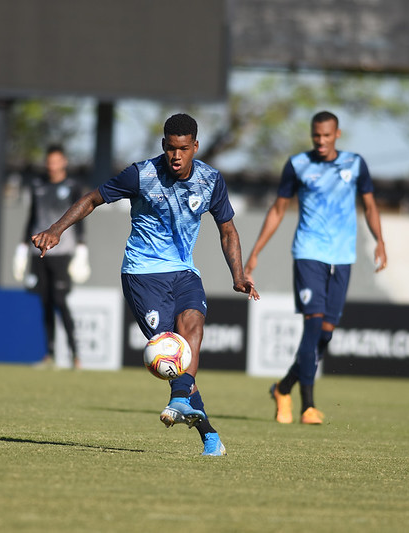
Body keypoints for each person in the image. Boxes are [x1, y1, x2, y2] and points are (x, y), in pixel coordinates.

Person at [32, 113, 259, 456]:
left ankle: (182, 400)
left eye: (183, 149)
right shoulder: (141, 175)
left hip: (184, 271)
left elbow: (227, 229)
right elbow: (93, 198)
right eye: (170, 148)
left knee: (191, 330)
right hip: (142, 275)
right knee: (172, 356)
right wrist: (56, 230)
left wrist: (238, 275)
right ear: (163, 146)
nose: (177, 156)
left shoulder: (211, 180)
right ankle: (207, 432)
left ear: (195, 146)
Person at [244, 110, 387, 425]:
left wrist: (379, 240)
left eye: (326, 135)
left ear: (337, 134)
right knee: (312, 325)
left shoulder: (355, 164)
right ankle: (308, 405)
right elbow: (278, 209)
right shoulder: (298, 165)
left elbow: (370, 204)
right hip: (309, 253)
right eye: (315, 136)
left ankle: (283, 388)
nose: (320, 141)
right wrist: (255, 252)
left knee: (325, 334)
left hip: (343, 257)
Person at [14, 145, 88, 368]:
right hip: (39, 251)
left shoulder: (73, 187)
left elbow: (81, 215)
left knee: (60, 300)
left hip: (63, 251)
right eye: (49, 161)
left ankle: (75, 355)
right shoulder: (37, 185)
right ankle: (50, 354)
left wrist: (82, 246)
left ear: (63, 162)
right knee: (45, 302)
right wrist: (22, 245)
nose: (52, 165)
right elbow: (32, 216)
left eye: (56, 161)